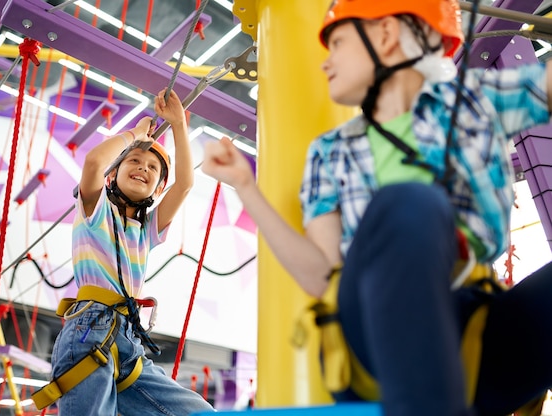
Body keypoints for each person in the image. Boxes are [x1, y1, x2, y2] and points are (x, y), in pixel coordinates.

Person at [201, 1, 552, 415]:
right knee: (409, 201)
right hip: (373, 339)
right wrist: (246, 187)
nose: (325, 63)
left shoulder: (472, 103)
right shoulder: (331, 152)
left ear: (384, 36)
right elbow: (319, 275)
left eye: (337, 44)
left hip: (470, 334)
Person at [37, 88, 215, 415]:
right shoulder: (95, 211)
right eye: (134, 161)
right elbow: (93, 162)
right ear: (113, 174)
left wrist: (178, 124)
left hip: (129, 339)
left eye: (152, 168)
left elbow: (185, 184)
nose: (143, 168)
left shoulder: (146, 230)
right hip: (89, 328)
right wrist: (134, 136)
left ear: (158, 187)